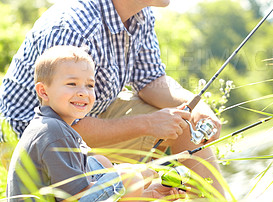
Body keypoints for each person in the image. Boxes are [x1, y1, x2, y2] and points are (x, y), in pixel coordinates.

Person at [0, 0, 224, 196]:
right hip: (40, 136)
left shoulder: (141, 13)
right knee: (124, 183)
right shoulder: (77, 30)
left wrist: (198, 107)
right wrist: (148, 125)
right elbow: (65, 123)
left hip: (89, 112)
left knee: (184, 122)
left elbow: (151, 80)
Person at [6, 46, 186, 201]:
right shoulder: (52, 131)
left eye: (89, 85)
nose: (83, 92)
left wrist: (147, 195)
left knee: (100, 162)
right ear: (43, 92)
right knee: (128, 178)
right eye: (72, 83)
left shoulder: (54, 125)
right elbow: (73, 197)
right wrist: (140, 175)